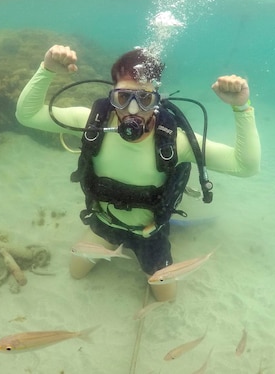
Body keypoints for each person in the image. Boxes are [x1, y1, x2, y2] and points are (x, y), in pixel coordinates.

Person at [16, 45, 261, 301]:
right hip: (105, 223)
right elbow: (27, 115)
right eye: (123, 98)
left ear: (157, 101)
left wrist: (241, 108)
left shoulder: (176, 141)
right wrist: (47, 70)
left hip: (150, 233)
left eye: (145, 99)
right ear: (111, 95)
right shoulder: (92, 123)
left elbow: (245, 166)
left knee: (166, 298)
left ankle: (168, 228)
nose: (133, 111)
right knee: (76, 272)